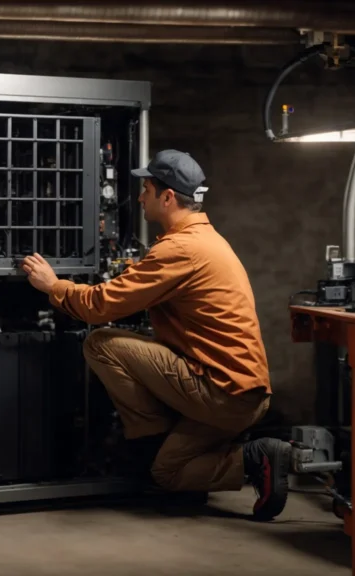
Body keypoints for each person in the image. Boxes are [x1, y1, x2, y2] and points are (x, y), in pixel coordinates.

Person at [20, 149, 291, 520]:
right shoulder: (206, 240)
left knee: (102, 344)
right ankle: (248, 460)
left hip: (221, 395)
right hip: (243, 394)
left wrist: (54, 286)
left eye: (146, 188)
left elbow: (100, 308)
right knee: (167, 472)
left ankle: (160, 442)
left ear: (167, 197)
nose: (140, 196)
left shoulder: (181, 249)